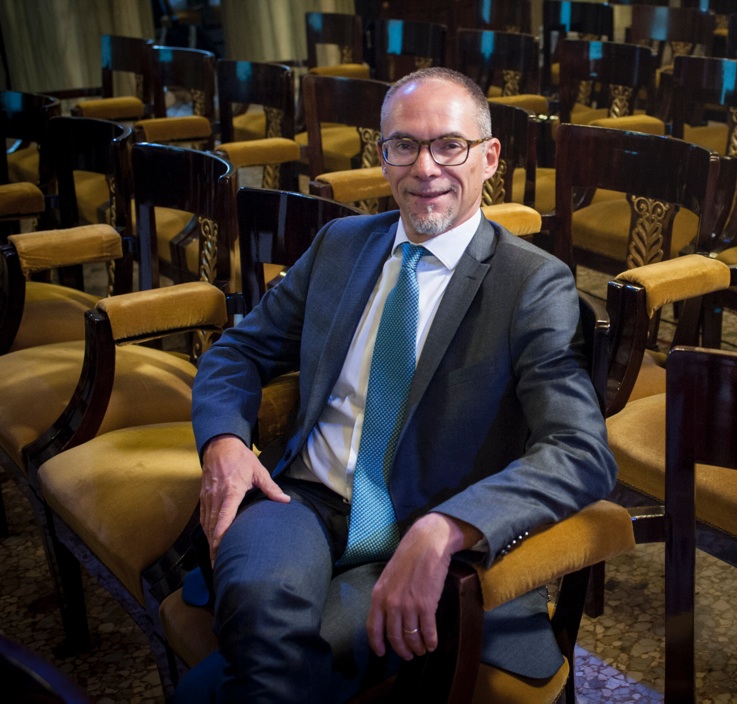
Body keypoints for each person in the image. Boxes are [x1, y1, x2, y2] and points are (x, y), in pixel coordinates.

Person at [176, 67, 617, 702]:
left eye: (450, 145)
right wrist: (223, 441)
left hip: (424, 528)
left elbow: (580, 450)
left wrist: (450, 525)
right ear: (383, 156)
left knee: (247, 669)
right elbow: (240, 351)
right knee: (255, 598)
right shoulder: (341, 243)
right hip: (302, 499)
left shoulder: (531, 283)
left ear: (490, 157)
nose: (425, 167)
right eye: (404, 145)